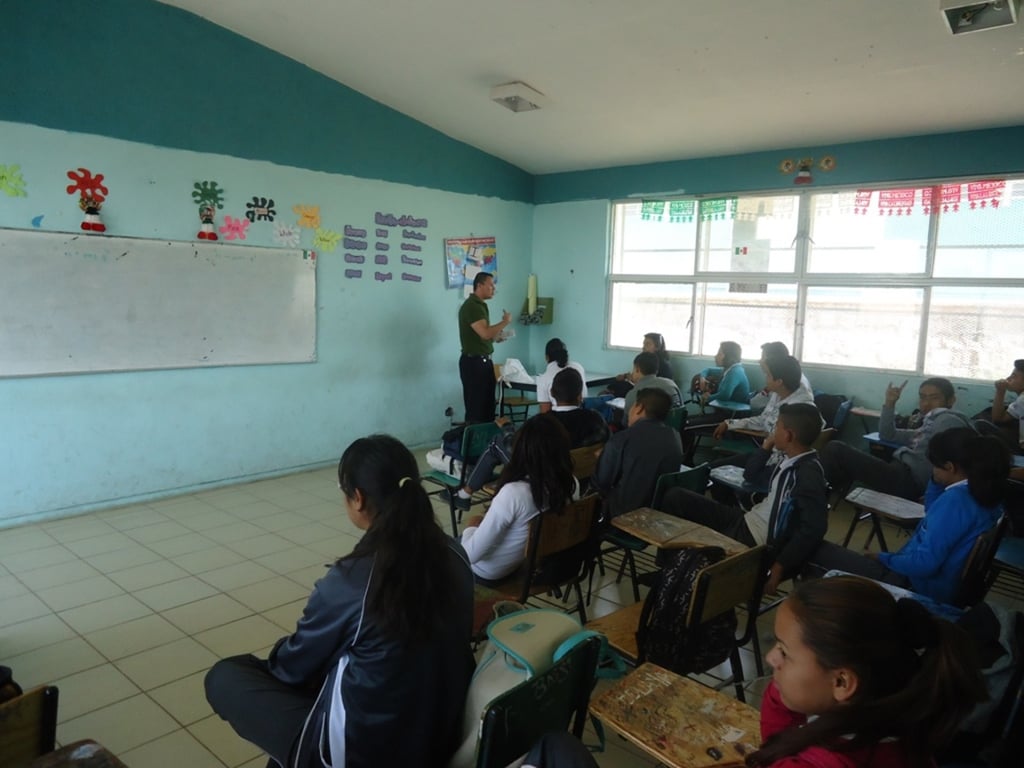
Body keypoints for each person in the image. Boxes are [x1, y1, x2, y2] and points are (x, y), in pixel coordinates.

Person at [516, 577, 986, 768]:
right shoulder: (889, 728)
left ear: (843, 682)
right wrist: (787, 685)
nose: (771, 660)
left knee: (553, 747)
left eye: (784, 652)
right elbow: (778, 739)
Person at [205, 435, 474, 768]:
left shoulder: (351, 580)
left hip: (364, 754)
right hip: (440, 733)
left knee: (225, 677)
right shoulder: (455, 552)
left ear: (357, 499)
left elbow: (292, 668)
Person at [807, 428, 1009, 605]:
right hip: (942, 586)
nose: (932, 469)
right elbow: (933, 513)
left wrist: (884, 558)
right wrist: (937, 479)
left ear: (950, 467)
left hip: (914, 588)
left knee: (814, 551)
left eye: (934, 465)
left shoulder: (956, 501)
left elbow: (925, 564)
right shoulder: (984, 491)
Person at [662, 402, 828, 594]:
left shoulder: (806, 474)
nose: (773, 431)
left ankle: (673, 575)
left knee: (681, 511)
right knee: (676, 497)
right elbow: (751, 474)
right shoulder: (790, 459)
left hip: (752, 539)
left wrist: (780, 565)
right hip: (747, 521)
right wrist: (766, 446)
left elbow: (814, 527)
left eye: (777, 426)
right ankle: (669, 570)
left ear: (788, 435)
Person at [443, 368, 608, 510]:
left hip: (543, 480)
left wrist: (508, 428)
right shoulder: (597, 419)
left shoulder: (544, 423)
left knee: (497, 443)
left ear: (551, 394)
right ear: (580, 395)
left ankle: (464, 494)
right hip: (582, 482)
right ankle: (467, 493)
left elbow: (517, 448)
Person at [460, 414, 577, 582]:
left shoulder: (514, 493)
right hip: (525, 564)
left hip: (487, 572)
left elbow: (469, 555)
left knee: (432, 551)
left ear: (520, 449)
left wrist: (470, 527)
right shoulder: (571, 484)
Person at [820, 377, 973, 501]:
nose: (926, 403)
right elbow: (888, 434)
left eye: (934, 398)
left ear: (951, 400)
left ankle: (815, 497)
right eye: (922, 398)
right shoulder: (928, 425)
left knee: (835, 449)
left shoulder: (947, 420)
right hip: (899, 473)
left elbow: (945, 465)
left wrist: (931, 494)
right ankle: (823, 493)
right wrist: (890, 403)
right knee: (838, 456)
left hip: (908, 482)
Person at [592, 388, 685, 519]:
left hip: (625, 514)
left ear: (639, 408)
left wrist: (602, 458)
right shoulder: (675, 436)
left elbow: (601, 484)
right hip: (661, 513)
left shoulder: (622, 439)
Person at [459, 271, 512, 423]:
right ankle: (476, 444)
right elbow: (485, 334)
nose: (493, 288)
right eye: (490, 285)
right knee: (477, 409)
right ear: (479, 285)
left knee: (487, 408)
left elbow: (484, 336)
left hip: (483, 362)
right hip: (474, 364)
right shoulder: (473, 307)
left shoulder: (480, 306)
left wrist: (497, 337)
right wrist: (505, 322)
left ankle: (487, 444)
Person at [750, 341, 813, 408]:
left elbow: (755, 404)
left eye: (763, 357)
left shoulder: (790, 381)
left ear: (773, 359)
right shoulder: (780, 375)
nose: (760, 361)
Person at [534, 337, 586, 413]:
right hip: (580, 415)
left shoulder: (544, 378)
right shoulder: (578, 367)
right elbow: (584, 397)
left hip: (557, 420)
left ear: (547, 357)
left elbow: (545, 411)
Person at [692, 340, 750, 404]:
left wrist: (708, 397)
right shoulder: (730, 369)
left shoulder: (734, 372)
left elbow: (724, 396)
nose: (715, 356)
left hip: (735, 410)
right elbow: (708, 370)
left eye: (719, 354)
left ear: (729, 356)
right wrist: (702, 378)